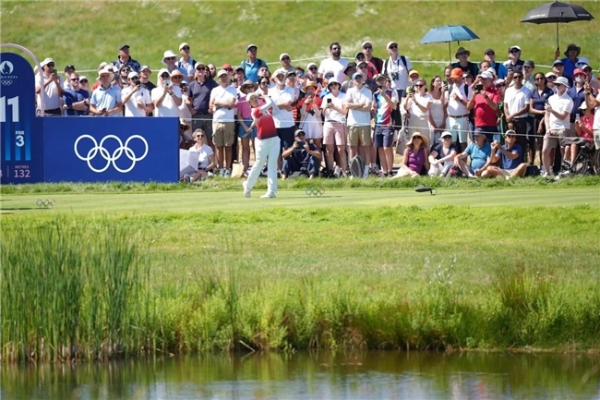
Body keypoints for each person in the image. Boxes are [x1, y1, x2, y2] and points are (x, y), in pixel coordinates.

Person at [243, 94, 281, 198]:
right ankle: (248, 185)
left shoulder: (266, 110)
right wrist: (266, 97)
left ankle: (271, 191)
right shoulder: (255, 111)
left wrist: (270, 99)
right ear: (249, 103)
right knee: (259, 164)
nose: (255, 100)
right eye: (252, 99)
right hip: (262, 141)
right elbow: (268, 104)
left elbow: (277, 111)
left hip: (274, 138)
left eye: (256, 98)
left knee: (272, 165)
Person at [542, 77, 573, 177]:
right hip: (551, 128)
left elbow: (563, 116)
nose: (557, 86)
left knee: (563, 151)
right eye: (556, 84)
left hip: (563, 128)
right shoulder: (551, 98)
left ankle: (562, 172)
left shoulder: (568, 100)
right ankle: (547, 172)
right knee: (545, 150)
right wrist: (547, 128)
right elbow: (546, 115)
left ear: (565, 86)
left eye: (559, 84)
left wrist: (552, 111)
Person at [210, 70, 238, 177]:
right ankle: (221, 168)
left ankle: (227, 169)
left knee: (228, 146)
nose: (224, 78)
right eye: (221, 76)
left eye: (225, 76)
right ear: (218, 78)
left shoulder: (232, 89)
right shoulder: (214, 90)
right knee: (219, 146)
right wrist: (225, 104)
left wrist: (218, 103)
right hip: (216, 120)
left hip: (229, 121)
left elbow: (232, 104)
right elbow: (211, 105)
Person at [345, 71, 373, 177]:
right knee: (352, 147)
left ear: (363, 79)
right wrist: (360, 104)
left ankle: (366, 169)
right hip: (352, 122)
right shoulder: (350, 91)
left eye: (360, 78)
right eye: (356, 78)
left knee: (366, 147)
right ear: (353, 81)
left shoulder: (367, 91)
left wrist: (354, 105)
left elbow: (368, 108)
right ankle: (353, 171)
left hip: (365, 123)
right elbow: (347, 105)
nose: (358, 80)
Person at [372, 75, 399, 176]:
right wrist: (373, 112)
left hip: (388, 123)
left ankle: (390, 170)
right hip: (378, 124)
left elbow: (394, 105)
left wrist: (384, 95)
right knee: (380, 148)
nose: (381, 82)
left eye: (382, 80)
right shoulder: (375, 94)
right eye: (379, 80)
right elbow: (374, 107)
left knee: (387, 147)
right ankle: (385, 171)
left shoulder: (392, 92)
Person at [188, 62, 218, 148]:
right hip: (196, 115)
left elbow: (217, 96)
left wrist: (213, 108)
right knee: (196, 139)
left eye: (202, 68)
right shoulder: (192, 85)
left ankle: (213, 160)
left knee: (210, 139)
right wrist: (190, 108)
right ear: (195, 71)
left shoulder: (212, 83)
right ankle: (197, 160)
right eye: (199, 69)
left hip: (208, 115)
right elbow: (188, 99)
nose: (201, 70)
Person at [321, 78, 348, 174]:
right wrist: (326, 107)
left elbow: (345, 112)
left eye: (335, 84)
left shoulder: (344, 96)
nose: (333, 86)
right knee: (329, 150)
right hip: (328, 123)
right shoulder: (326, 97)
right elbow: (324, 113)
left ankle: (344, 171)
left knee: (341, 149)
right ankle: (330, 171)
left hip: (340, 123)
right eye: (331, 85)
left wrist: (334, 107)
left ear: (339, 85)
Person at [503, 70, 531, 158]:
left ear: (522, 78)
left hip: (521, 120)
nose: (517, 79)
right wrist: (508, 117)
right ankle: (508, 162)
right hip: (510, 120)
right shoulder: (508, 90)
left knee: (521, 142)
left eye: (519, 77)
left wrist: (512, 115)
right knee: (508, 142)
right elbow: (505, 105)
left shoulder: (527, 91)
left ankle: (521, 162)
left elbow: (526, 108)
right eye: (515, 77)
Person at [467, 70, 501, 143]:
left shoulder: (495, 92)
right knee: (478, 145)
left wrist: (486, 96)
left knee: (490, 146)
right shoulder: (477, 92)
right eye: (481, 79)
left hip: (490, 125)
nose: (482, 81)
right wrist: (473, 97)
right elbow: (469, 107)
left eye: (485, 79)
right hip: (478, 124)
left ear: (490, 80)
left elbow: (495, 107)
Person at [268, 69, 296, 153]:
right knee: (276, 150)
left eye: (282, 76)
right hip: (274, 125)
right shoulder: (271, 91)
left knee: (287, 150)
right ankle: (278, 167)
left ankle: (286, 166)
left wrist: (274, 105)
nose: (280, 78)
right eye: (278, 76)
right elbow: (269, 106)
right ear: (274, 79)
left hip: (288, 124)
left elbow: (288, 104)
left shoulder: (290, 89)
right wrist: (282, 106)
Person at [446, 67, 473, 151]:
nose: (454, 80)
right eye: (453, 78)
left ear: (461, 76)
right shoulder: (450, 88)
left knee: (463, 143)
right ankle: (454, 162)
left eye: (456, 78)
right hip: (451, 118)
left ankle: (463, 162)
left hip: (462, 118)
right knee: (452, 143)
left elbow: (470, 106)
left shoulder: (467, 88)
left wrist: (460, 100)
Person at [529, 72, 554, 165]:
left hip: (547, 119)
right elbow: (531, 109)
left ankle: (549, 165)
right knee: (539, 144)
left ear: (544, 79)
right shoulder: (533, 92)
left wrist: (543, 117)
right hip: (536, 119)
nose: (540, 80)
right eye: (537, 79)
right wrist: (542, 112)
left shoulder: (550, 92)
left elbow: (549, 108)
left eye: (541, 78)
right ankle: (541, 165)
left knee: (547, 144)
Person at [562, 102, 594, 170]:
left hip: (590, 142)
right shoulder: (582, 118)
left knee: (573, 145)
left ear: (589, 109)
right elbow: (579, 134)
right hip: (581, 141)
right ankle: (565, 167)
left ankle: (572, 167)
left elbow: (594, 135)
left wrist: (584, 128)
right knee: (567, 147)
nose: (583, 111)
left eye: (584, 109)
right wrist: (577, 127)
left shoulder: (594, 119)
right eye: (582, 110)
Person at [236, 80, 258, 175]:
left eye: (251, 87)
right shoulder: (241, 100)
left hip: (256, 123)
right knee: (245, 148)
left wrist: (253, 125)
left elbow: (259, 113)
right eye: (247, 87)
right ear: (244, 89)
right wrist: (245, 127)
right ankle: (245, 169)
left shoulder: (257, 99)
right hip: (244, 123)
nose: (250, 89)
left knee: (256, 147)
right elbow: (239, 115)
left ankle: (258, 168)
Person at [404, 78, 433, 143]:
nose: (418, 87)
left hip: (423, 120)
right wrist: (407, 98)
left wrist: (415, 101)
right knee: (412, 140)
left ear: (425, 86)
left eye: (420, 85)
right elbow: (406, 107)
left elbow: (425, 110)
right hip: (413, 120)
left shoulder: (429, 97)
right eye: (417, 85)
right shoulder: (414, 95)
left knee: (425, 141)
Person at [299, 81, 323, 149]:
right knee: (305, 144)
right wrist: (305, 104)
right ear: (306, 90)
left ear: (315, 90)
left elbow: (318, 114)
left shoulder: (319, 100)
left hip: (316, 123)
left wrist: (314, 104)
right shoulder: (303, 100)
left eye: (312, 89)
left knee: (317, 145)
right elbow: (302, 113)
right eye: (309, 89)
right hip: (306, 123)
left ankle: (318, 159)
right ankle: (306, 158)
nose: (310, 90)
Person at [428, 76, 448, 145]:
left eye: (440, 81)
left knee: (442, 142)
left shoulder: (444, 94)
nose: (439, 82)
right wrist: (433, 125)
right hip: (431, 122)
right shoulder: (429, 94)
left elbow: (444, 106)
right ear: (433, 83)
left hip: (441, 121)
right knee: (431, 142)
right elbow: (428, 111)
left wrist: (443, 123)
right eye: (437, 81)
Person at [587, 80, 600, 150]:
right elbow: (590, 106)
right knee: (598, 152)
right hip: (597, 127)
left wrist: (589, 93)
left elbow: (595, 103)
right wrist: (586, 93)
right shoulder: (598, 95)